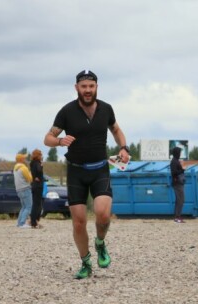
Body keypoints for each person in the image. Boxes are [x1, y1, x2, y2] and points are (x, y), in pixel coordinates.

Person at [44, 70, 129, 279]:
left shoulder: (106, 109)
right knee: (79, 222)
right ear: (77, 88)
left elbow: (116, 130)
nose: (88, 90)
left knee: (102, 214)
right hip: (76, 171)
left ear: (96, 87)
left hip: (100, 168)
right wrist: (59, 141)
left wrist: (124, 148)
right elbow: (48, 138)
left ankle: (100, 243)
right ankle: (85, 262)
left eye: (91, 86)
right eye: (84, 87)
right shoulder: (67, 111)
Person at [14, 153, 33, 228]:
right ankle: (22, 223)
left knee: (23, 207)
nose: (25, 159)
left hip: (18, 190)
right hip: (25, 189)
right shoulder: (23, 168)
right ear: (21, 160)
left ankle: (19, 223)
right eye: (24, 158)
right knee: (28, 207)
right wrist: (30, 173)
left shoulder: (16, 168)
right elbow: (29, 179)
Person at [170, 147, 185, 223]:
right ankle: (177, 217)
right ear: (176, 153)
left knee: (179, 200)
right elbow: (174, 172)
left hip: (178, 183)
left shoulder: (175, 161)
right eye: (179, 152)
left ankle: (177, 216)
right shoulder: (174, 161)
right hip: (177, 183)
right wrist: (182, 169)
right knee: (180, 200)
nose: (180, 154)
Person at [29, 149, 44, 229]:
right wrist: (41, 165)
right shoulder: (38, 163)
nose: (41, 156)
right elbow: (39, 170)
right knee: (37, 205)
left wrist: (35, 177)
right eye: (40, 155)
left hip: (34, 185)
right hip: (38, 186)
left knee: (35, 204)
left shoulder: (32, 163)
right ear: (38, 155)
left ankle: (34, 221)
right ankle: (34, 222)